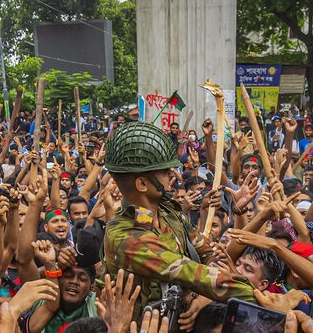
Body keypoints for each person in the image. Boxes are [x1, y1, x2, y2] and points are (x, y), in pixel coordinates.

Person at [102, 121, 258, 320]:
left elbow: (211, 252)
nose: (173, 175)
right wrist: (263, 299)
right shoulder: (126, 237)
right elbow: (189, 273)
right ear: (142, 184)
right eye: (165, 172)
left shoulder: (169, 214)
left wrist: (203, 296)